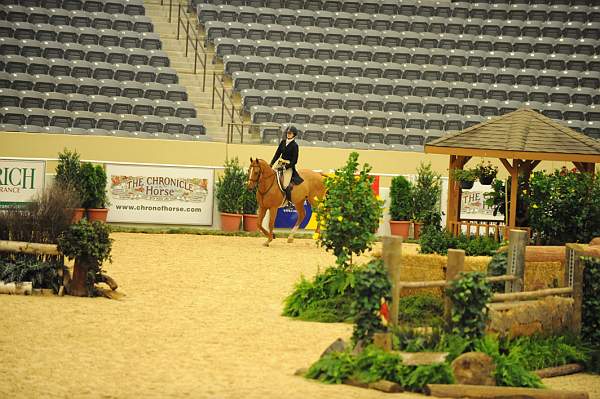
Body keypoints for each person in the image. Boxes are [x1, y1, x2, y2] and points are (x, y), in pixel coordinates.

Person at [270, 126, 304, 205]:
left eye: (290, 133)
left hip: (289, 166)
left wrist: (286, 167)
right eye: (287, 133)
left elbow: (294, 161)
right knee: (272, 177)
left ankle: (289, 202)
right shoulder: (283, 142)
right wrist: (271, 163)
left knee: (285, 185)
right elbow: (277, 154)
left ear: (294, 135)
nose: (288, 135)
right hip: (280, 163)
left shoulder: (295, 146)